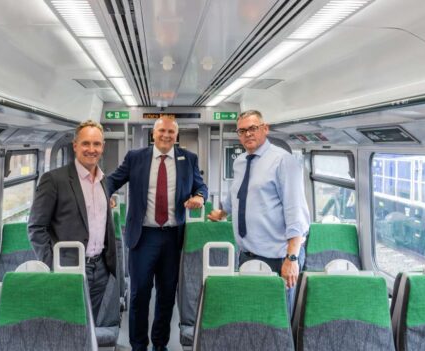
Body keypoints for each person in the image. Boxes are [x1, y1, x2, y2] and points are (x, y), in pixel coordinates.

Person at [106, 115, 207, 351]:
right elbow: (113, 180)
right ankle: (138, 345)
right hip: (143, 236)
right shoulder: (136, 158)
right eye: (162, 131)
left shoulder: (188, 159)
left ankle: (159, 345)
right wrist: (106, 194)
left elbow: (200, 186)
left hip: (173, 237)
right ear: (153, 133)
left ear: (176, 135)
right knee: (140, 294)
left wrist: (200, 197)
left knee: (166, 296)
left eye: (171, 132)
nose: (166, 135)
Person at [208, 109, 309, 316]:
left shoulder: (284, 161)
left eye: (253, 128)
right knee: (251, 317)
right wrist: (222, 212)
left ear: (265, 129)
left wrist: (292, 258)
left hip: (278, 257)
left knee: (277, 319)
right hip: (246, 254)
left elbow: (295, 212)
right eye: (242, 130)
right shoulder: (240, 161)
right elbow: (237, 194)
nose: (247, 134)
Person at [28, 119, 116, 321]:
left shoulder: (104, 181)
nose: (91, 149)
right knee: (69, 324)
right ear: (75, 145)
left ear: (103, 147)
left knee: (91, 324)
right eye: (86, 143)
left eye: (96, 144)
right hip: (69, 267)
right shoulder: (54, 179)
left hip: (100, 267)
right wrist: (53, 265)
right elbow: (36, 227)